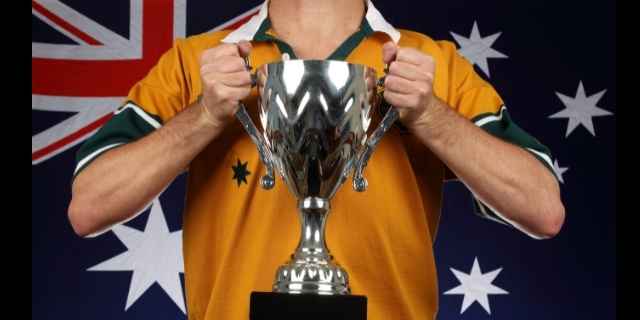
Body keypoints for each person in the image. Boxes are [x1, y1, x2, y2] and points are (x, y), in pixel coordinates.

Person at [67, 0, 565, 319]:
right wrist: (204, 116)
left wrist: (431, 116)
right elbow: (89, 206)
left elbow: (543, 208)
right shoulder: (201, 62)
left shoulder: (426, 63)